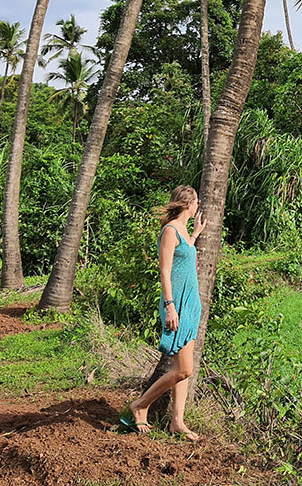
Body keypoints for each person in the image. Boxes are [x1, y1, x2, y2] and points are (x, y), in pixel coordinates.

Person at [122, 185, 206, 441]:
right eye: (196, 202)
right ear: (189, 204)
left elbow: (185, 254)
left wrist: (195, 235)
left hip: (190, 305)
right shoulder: (169, 231)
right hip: (176, 304)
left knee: (182, 367)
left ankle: (177, 422)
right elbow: (166, 271)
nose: (198, 206)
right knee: (185, 370)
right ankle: (140, 404)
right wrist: (169, 305)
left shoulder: (182, 231)